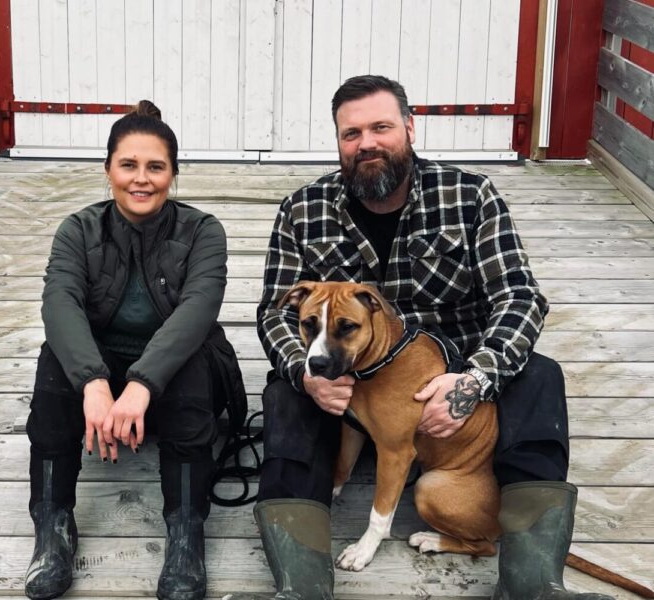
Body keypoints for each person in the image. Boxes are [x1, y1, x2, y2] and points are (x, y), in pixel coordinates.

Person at [224, 76, 612, 600]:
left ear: (409, 128)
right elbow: (274, 312)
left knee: (540, 374)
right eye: (351, 133)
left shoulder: (469, 195)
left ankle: (533, 579)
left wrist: (474, 379)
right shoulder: (303, 209)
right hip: (354, 383)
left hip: (457, 367)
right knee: (283, 395)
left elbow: (520, 297)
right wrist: (302, 371)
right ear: (338, 141)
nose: (366, 143)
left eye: (381, 127)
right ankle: (302, 583)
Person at [24, 100, 245, 600]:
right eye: (128, 165)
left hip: (174, 378)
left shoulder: (203, 231)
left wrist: (142, 384)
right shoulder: (78, 230)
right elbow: (59, 303)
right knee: (55, 362)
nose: (141, 179)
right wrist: (93, 382)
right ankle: (53, 526)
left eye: (155, 167)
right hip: (105, 371)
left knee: (191, 361)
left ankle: (185, 533)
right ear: (108, 170)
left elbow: (198, 310)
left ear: (173, 174)